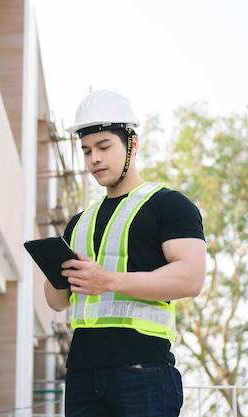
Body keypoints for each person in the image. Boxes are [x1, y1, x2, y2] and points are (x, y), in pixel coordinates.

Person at [44, 90, 207, 417]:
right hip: (81, 373)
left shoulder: (168, 205)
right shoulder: (79, 222)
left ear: (132, 144)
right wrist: (58, 273)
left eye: (104, 147)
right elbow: (56, 301)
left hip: (143, 369)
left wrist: (106, 280)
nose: (94, 160)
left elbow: (191, 278)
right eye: (87, 151)